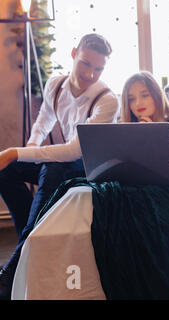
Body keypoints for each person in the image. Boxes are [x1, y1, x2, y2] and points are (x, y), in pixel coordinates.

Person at [0, 33, 119, 299]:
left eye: (98, 68)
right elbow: (44, 121)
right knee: (6, 170)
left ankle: (12, 269)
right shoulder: (55, 84)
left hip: (92, 169)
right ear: (74, 53)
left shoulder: (107, 100)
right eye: (86, 64)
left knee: (51, 167)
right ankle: (26, 245)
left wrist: (13, 151)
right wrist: (28, 149)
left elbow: (76, 149)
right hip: (63, 161)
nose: (91, 74)